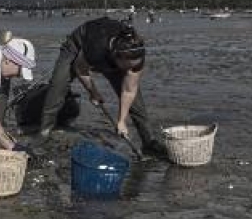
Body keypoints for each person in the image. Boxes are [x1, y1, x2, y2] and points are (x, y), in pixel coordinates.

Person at [39, 16, 165, 155]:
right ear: (116, 56)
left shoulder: (137, 53)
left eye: (133, 67)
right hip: (77, 46)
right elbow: (80, 69)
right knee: (57, 86)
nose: (130, 70)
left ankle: (149, 142)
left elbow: (129, 91)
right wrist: (93, 92)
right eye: (127, 67)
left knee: (135, 100)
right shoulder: (96, 49)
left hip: (112, 56)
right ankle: (44, 132)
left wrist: (121, 121)